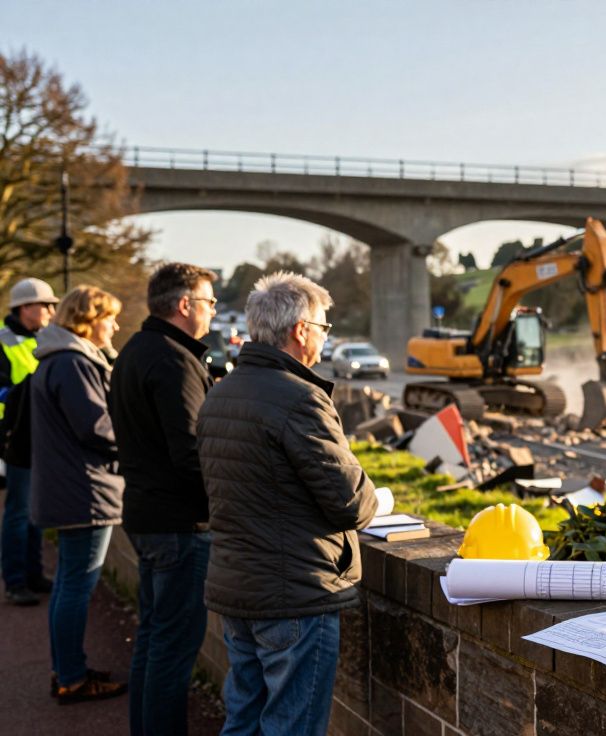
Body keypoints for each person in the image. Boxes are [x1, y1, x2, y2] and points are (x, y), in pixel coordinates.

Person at [198, 272, 378, 736]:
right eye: (323, 329)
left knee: (243, 720)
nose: (323, 340)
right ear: (301, 331)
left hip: (237, 586)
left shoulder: (219, 394)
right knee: (291, 726)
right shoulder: (300, 400)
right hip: (295, 592)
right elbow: (352, 503)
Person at [109, 263, 218, 735]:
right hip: (178, 524)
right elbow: (191, 452)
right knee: (172, 651)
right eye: (209, 302)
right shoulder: (174, 360)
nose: (213, 311)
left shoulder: (136, 349)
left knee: (152, 642)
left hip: (146, 513)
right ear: (184, 305)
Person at [29, 285, 129, 705]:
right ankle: (71, 676)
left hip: (69, 487)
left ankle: (67, 669)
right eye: (109, 317)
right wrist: (137, 436)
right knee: (76, 587)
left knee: (70, 585)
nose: (115, 325)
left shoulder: (57, 359)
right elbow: (96, 428)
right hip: (85, 491)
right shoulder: (74, 363)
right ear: (88, 320)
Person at [0, 278, 60, 606]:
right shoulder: (2, 341)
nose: (51, 311)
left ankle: (33, 574)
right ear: (26, 308)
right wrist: (18, 398)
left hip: (40, 433)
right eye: (45, 305)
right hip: (15, 436)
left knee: (35, 508)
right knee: (19, 510)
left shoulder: (45, 337)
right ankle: (15, 580)